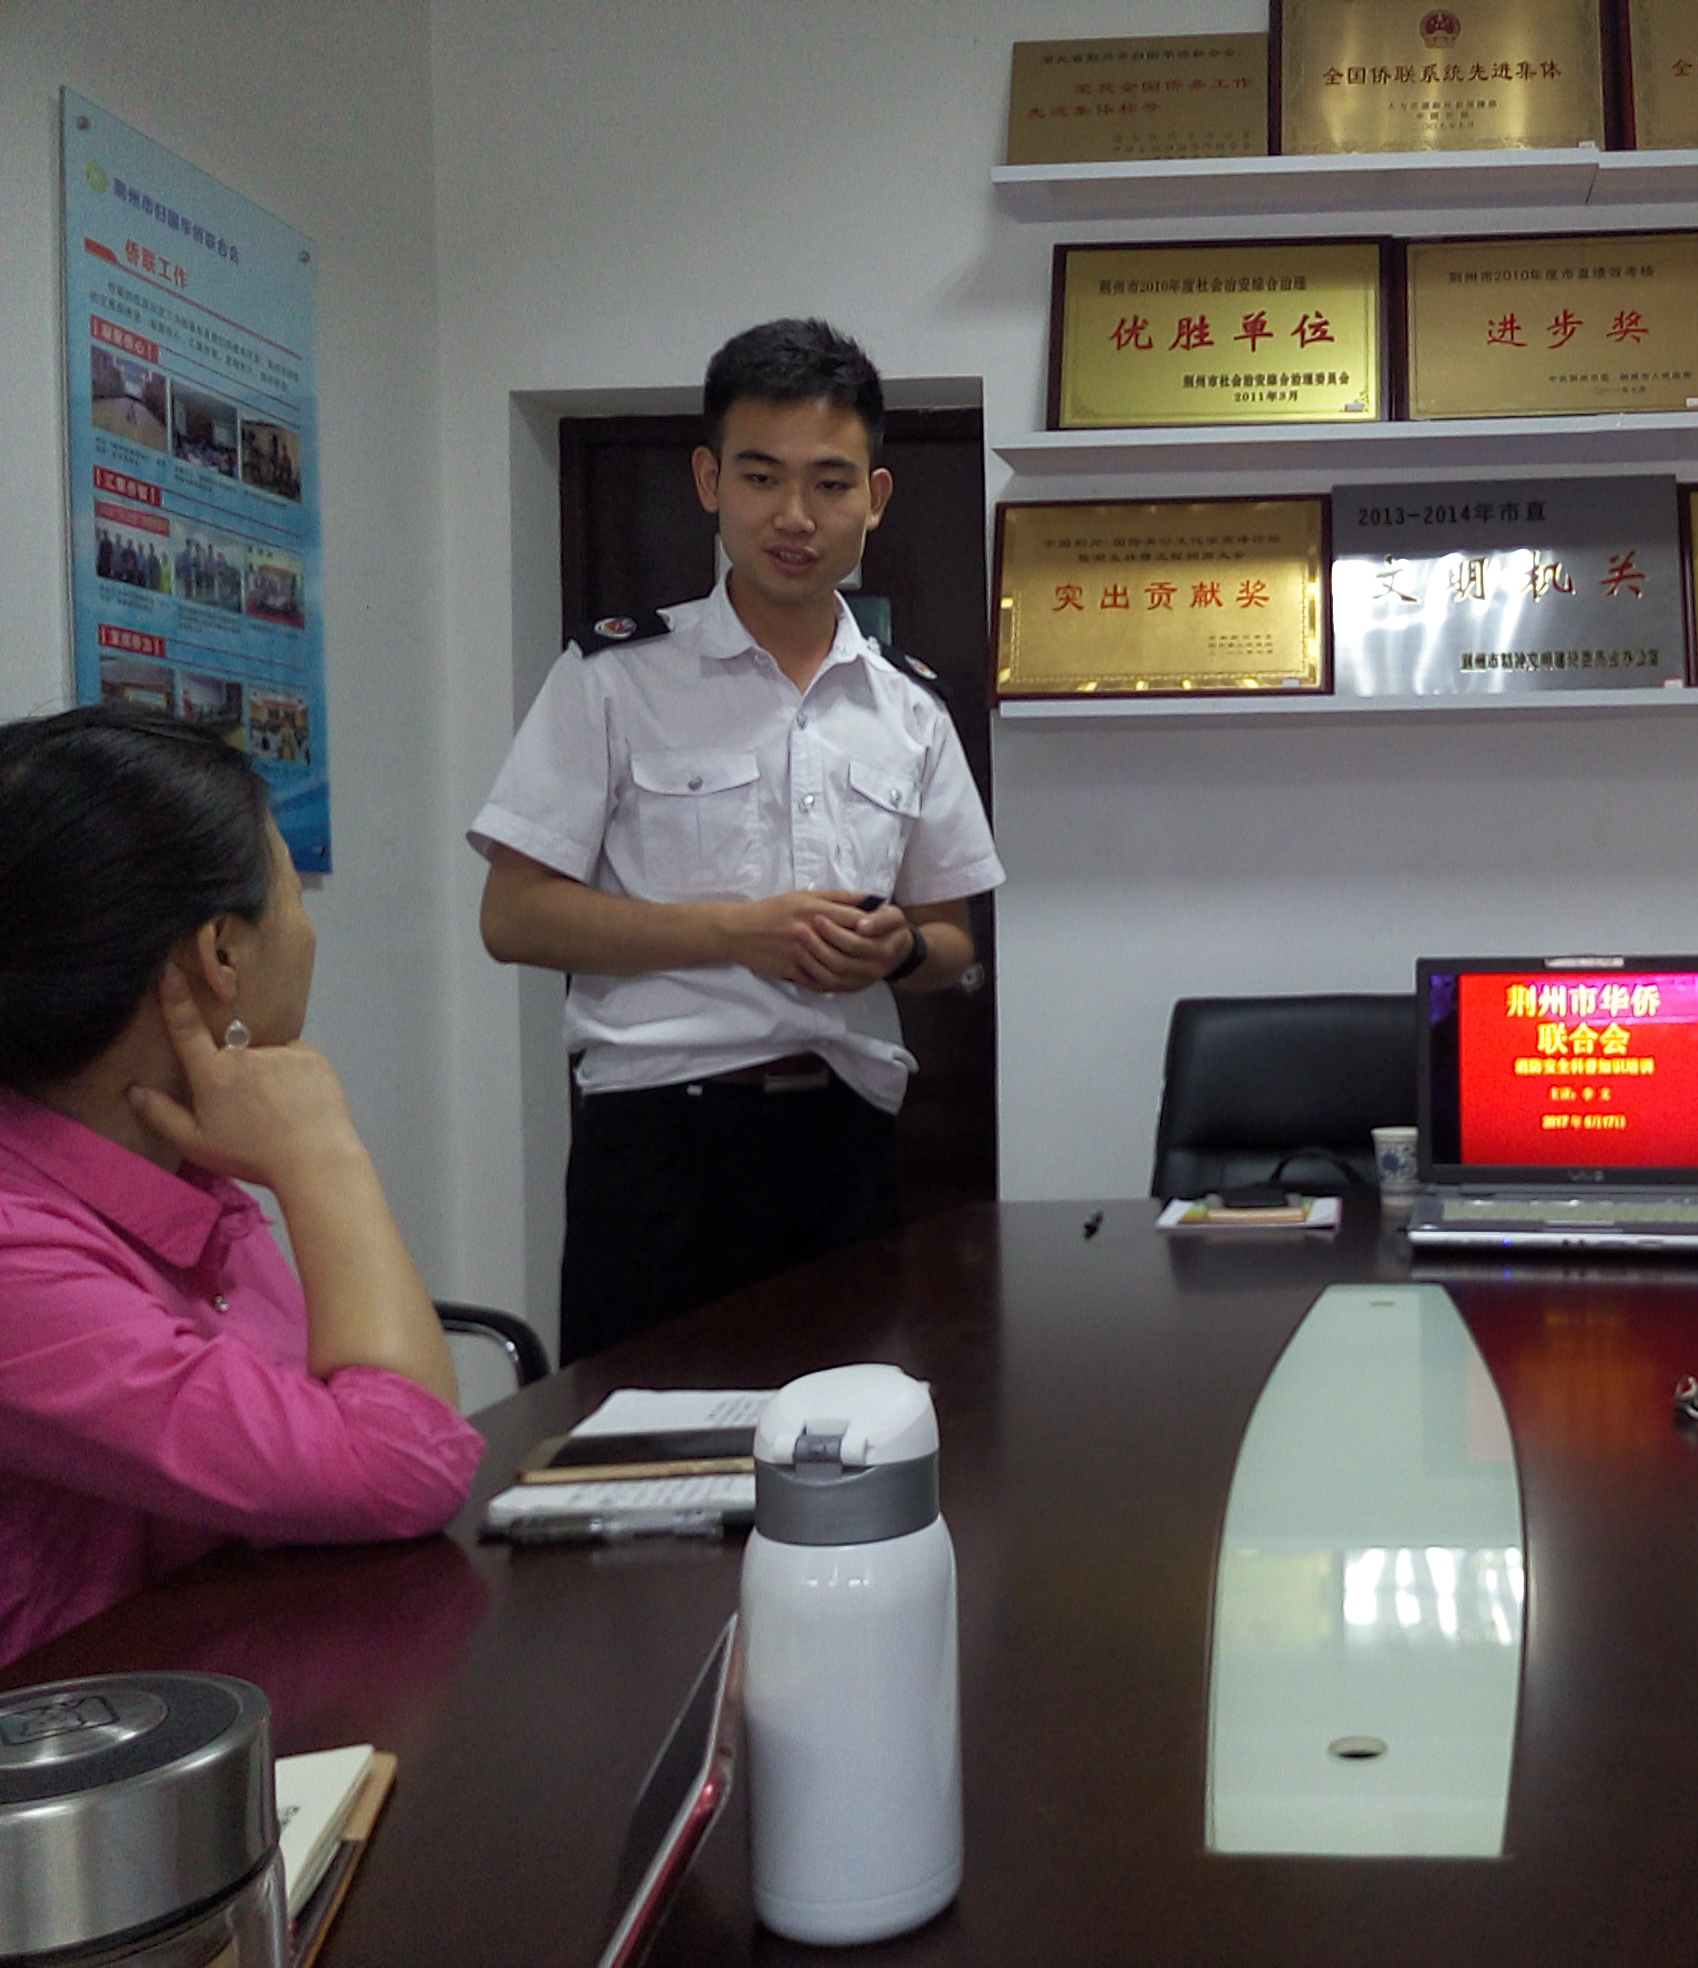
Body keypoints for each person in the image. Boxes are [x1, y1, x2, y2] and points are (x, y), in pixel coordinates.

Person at [470, 318, 1003, 1363]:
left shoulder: (911, 707)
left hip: (847, 1137)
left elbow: (952, 941)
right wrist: (736, 933)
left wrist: (896, 948)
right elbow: (514, 916)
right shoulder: (613, 677)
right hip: (657, 1142)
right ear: (710, 480)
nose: (794, 516)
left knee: (846, 1433)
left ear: (874, 498)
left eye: (830, 484)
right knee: (644, 1440)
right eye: (762, 478)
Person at [0, 707, 483, 1665]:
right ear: (221, 952)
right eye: (293, 895)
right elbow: (401, 1462)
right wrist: (322, 1153)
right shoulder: (18, 1254)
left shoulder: (187, 1162)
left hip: (220, 1684)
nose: (306, 929)